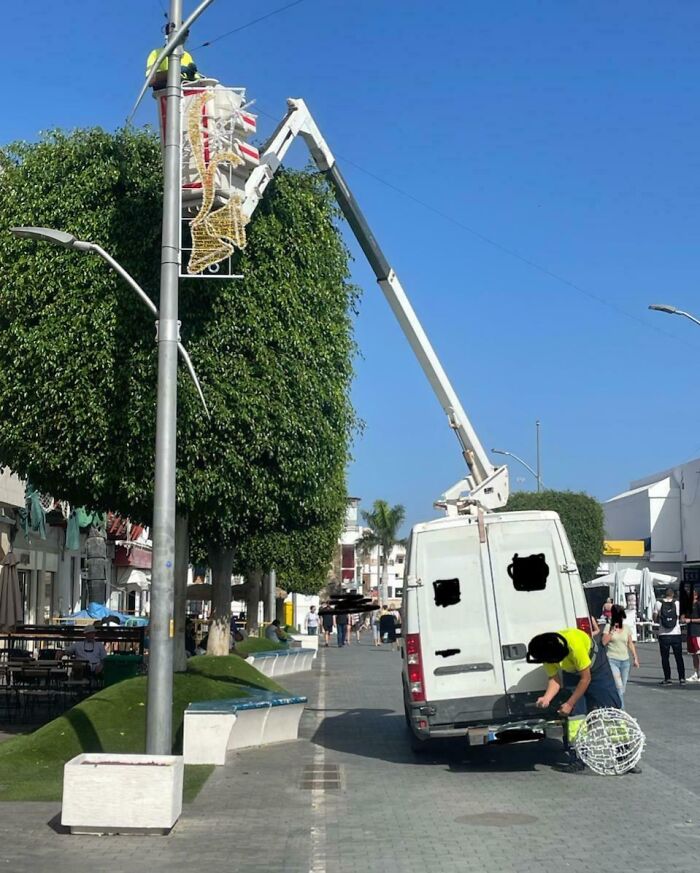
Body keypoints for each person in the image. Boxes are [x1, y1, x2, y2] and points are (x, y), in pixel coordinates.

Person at [528, 627, 622, 771]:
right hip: (572, 673)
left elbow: (586, 678)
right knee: (576, 717)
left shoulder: (574, 643)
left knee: (611, 709)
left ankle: (624, 755)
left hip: (596, 669)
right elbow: (554, 680)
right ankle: (578, 758)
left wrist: (569, 703)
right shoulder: (546, 654)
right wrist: (546, 698)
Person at [602, 604, 639, 708]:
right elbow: (604, 642)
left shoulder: (626, 628)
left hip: (625, 661)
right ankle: (621, 713)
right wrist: (612, 631)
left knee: (622, 689)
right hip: (612, 659)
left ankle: (613, 708)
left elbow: (630, 643)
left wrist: (635, 657)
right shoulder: (608, 627)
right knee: (618, 687)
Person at [654, 588, 685, 685]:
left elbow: (654, 618)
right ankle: (682, 678)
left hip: (663, 634)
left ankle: (668, 678)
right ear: (673, 594)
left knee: (665, 657)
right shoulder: (677, 603)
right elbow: (682, 618)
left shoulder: (658, 603)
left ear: (664, 594)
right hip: (676, 633)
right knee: (678, 657)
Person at [682, 589, 700, 682]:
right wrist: (683, 618)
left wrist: (691, 620)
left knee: (699, 653)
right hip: (690, 632)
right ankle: (696, 673)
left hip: (698, 633)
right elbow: (684, 617)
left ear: (696, 596)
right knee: (694, 654)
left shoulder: (698, 604)